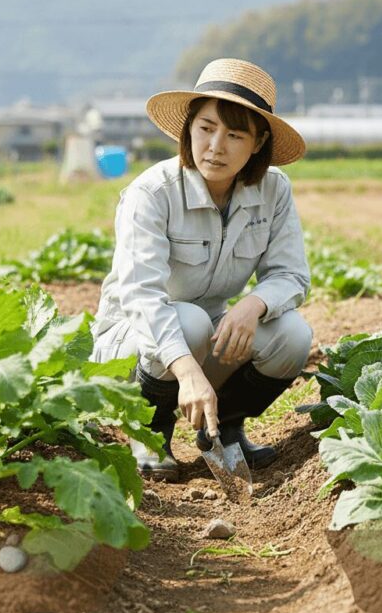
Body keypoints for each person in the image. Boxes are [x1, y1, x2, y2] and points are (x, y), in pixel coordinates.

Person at [91, 58, 312, 482]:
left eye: (235, 135)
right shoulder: (152, 193)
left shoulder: (273, 190)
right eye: (206, 128)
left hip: (203, 331)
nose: (216, 146)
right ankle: (149, 431)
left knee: (292, 335)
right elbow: (141, 297)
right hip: (131, 344)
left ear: (258, 142)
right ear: (188, 128)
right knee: (188, 322)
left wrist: (253, 305)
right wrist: (188, 371)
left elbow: (291, 275)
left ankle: (223, 429)